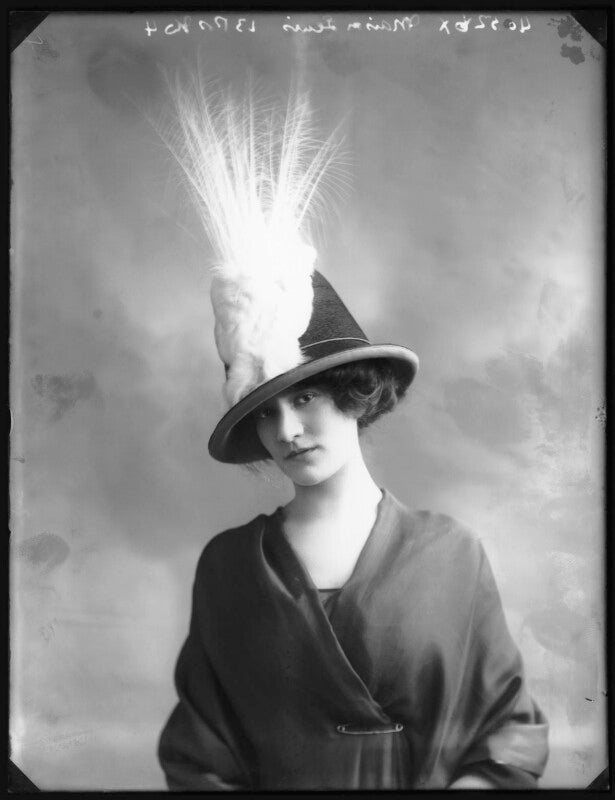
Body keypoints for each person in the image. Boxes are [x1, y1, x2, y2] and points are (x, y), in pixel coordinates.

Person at [155, 78, 549, 790]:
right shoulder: (228, 569)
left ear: (354, 394)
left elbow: (508, 730)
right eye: (265, 411)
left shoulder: (451, 554)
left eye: (305, 397)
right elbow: (199, 755)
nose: (285, 430)